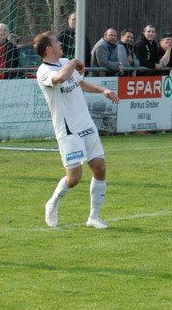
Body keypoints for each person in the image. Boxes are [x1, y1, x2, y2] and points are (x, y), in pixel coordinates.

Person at [34, 31, 120, 228]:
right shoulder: (43, 71)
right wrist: (74, 61)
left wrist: (103, 90)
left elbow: (79, 83)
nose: (60, 44)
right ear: (49, 49)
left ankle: (94, 217)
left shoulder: (65, 62)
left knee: (100, 167)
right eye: (56, 42)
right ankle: (52, 203)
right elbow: (61, 78)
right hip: (68, 129)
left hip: (85, 123)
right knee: (74, 178)